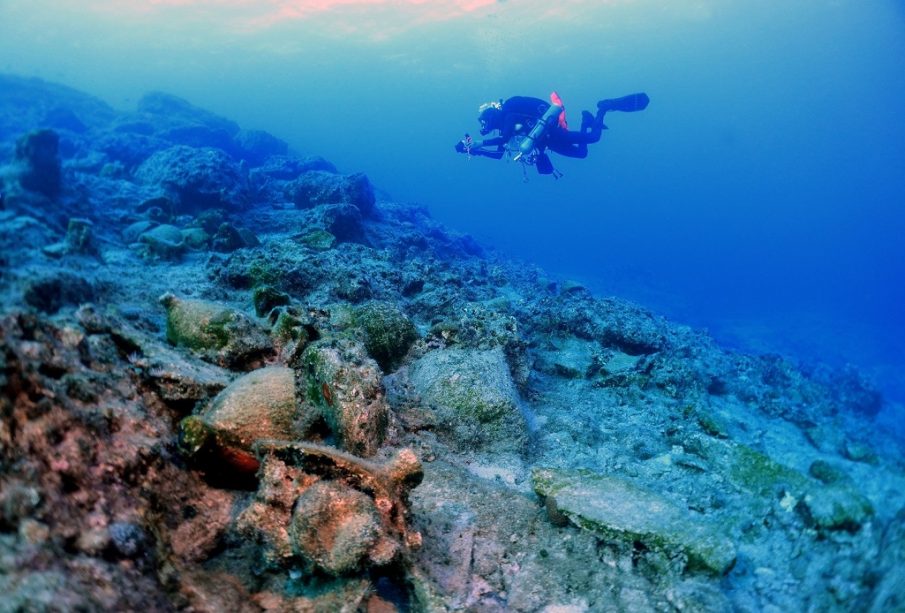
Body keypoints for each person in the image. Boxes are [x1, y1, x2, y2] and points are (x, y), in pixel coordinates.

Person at [455, 91, 649, 176]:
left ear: (491, 116)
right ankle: (586, 120)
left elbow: (503, 139)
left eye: (485, 122)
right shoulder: (503, 126)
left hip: (551, 134)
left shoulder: (509, 116)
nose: (485, 126)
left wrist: (478, 143)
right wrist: (472, 151)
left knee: (594, 138)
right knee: (582, 153)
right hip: (547, 141)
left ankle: (604, 108)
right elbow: (499, 154)